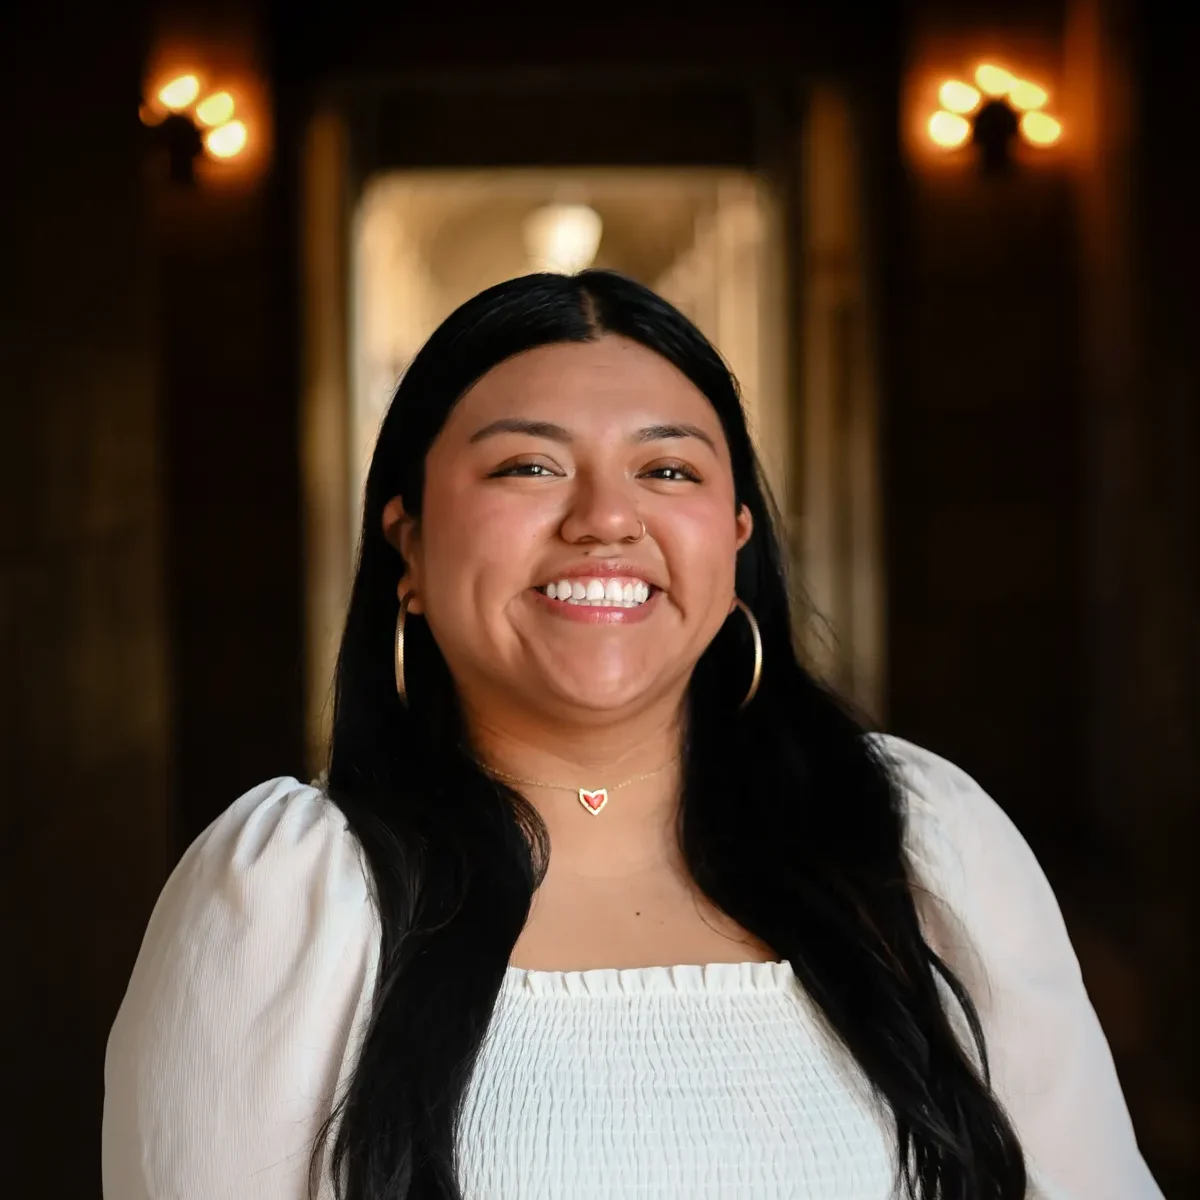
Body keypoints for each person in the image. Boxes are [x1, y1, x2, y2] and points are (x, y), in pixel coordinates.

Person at [102, 270, 1163, 1200]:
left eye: (669, 471)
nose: (607, 519)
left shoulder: (925, 839)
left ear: (736, 539)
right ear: (409, 546)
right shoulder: (290, 896)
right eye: (528, 467)